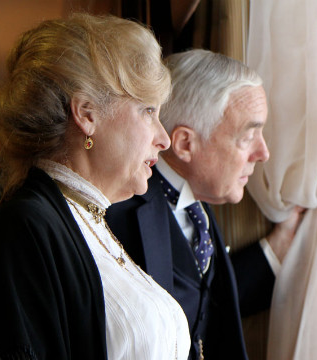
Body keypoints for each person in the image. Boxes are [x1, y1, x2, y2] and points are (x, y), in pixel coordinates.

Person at [0, 13, 190, 360]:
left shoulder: (84, 218)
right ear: (87, 114)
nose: (163, 139)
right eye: (148, 111)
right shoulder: (29, 226)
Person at [107, 49, 304, 360]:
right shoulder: (116, 215)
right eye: (246, 136)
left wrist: (275, 250)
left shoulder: (197, 198)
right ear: (186, 143)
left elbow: (204, 301)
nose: (263, 153)